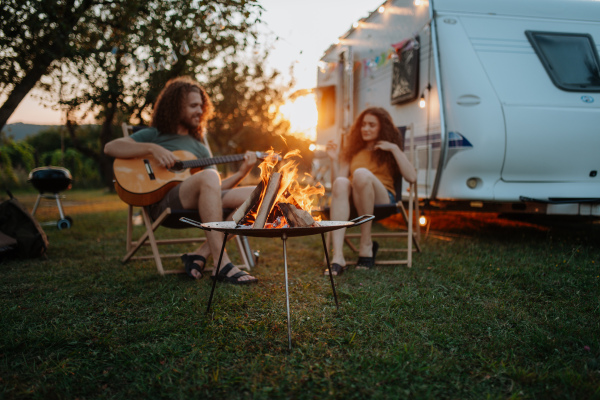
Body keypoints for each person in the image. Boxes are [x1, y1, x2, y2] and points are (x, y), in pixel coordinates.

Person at [104, 76, 258, 284]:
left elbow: (215, 187)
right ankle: (221, 265)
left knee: (258, 195)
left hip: (199, 202)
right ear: (176, 107)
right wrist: (152, 148)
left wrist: (241, 173)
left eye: (201, 106)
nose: (200, 111)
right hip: (164, 204)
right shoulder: (154, 135)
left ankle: (201, 254)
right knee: (209, 176)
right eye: (193, 105)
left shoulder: (200, 147)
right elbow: (111, 147)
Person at [325, 107, 417, 275]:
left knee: (361, 174)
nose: (365, 129)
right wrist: (333, 159)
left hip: (383, 199)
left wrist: (395, 149)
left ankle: (366, 243)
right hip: (356, 200)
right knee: (341, 182)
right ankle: (337, 256)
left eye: (372, 125)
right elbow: (337, 186)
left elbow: (411, 177)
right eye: (363, 125)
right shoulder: (352, 152)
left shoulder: (389, 150)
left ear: (382, 127)